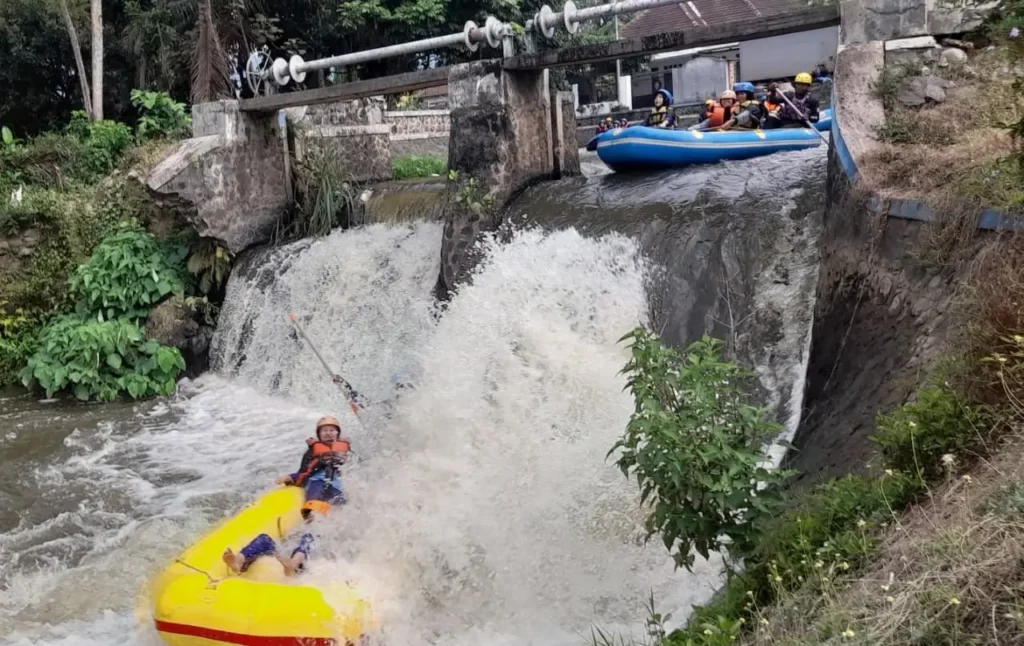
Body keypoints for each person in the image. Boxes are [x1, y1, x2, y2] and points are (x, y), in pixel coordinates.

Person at [277, 415, 352, 518]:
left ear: (337, 434)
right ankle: (311, 521)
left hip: (336, 485)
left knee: (342, 504)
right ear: (319, 434)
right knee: (315, 496)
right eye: (324, 431)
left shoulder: (346, 451)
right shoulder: (312, 452)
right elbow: (304, 471)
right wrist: (291, 477)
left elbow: (355, 469)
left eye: (332, 430)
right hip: (317, 481)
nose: (328, 433)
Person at [222, 530, 315, 577]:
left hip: (279, 555)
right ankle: (293, 563)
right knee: (308, 539)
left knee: (264, 539)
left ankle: (240, 559)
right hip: (294, 561)